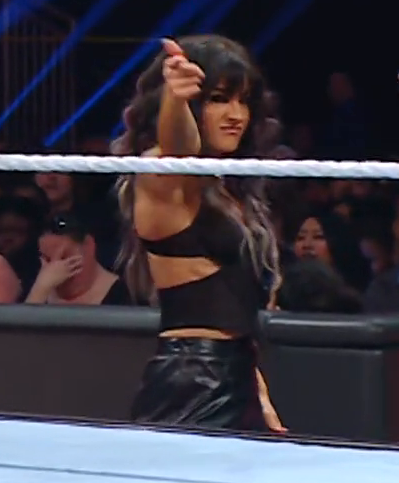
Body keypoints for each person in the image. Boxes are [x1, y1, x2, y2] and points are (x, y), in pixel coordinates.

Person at [114, 36, 285, 432]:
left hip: (235, 373)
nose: (235, 115)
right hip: (192, 378)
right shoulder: (160, 174)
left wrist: (259, 392)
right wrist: (177, 99)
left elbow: (236, 308)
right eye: (218, 99)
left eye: (243, 101)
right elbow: (180, 153)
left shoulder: (230, 188)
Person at [24, 211, 131, 306]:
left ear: (89, 246)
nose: (55, 271)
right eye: (47, 259)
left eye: (64, 258)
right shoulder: (34, 290)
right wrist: (40, 290)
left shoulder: (124, 297)